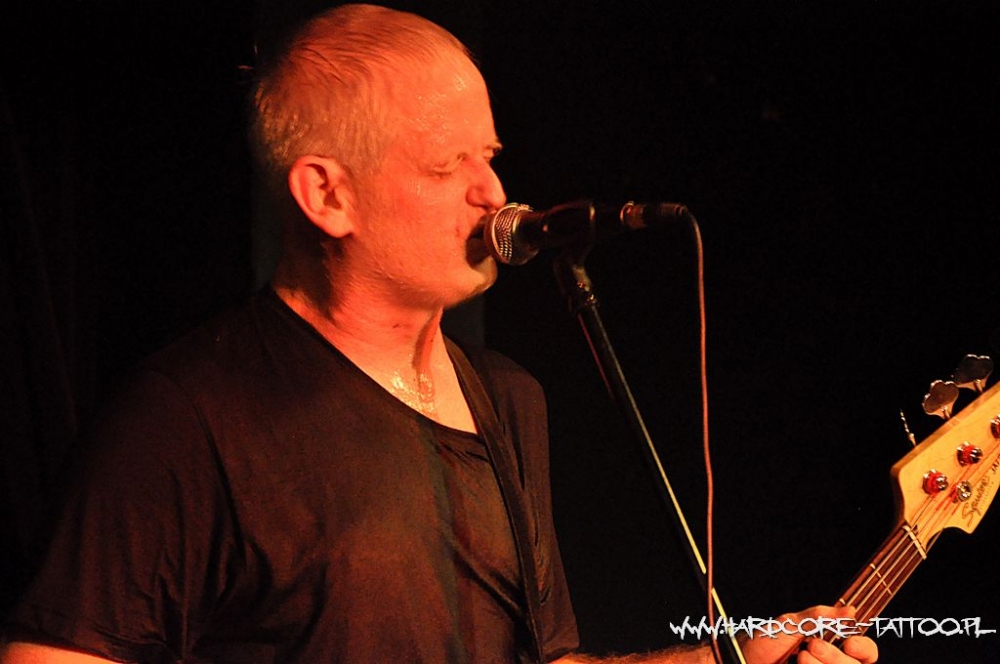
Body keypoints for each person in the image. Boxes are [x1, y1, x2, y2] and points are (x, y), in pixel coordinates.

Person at [0, 4, 877, 663]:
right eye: (446, 163)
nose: (492, 194)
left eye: (488, 156)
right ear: (327, 195)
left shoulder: (508, 399)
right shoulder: (185, 418)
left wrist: (728, 660)